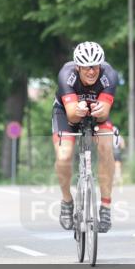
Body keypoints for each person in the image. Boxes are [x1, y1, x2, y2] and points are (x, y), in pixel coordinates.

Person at [53, 41, 118, 233]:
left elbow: (105, 114)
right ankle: (66, 201)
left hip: (96, 113)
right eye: (86, 67)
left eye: (95, 66)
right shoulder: (67, 75)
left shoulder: (109, 76)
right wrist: (78, 110)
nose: (91, 71)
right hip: (66, 112)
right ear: (78, 67)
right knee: (64, 156)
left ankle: (105, 207)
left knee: (106, 148)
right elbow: (72, 115)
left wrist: (99, 112)